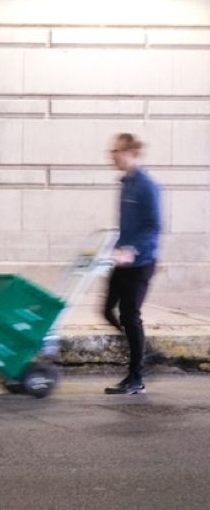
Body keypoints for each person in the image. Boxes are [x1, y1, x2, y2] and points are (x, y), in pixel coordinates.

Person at [103, 133, 161, 395]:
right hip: (122, 260)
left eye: (116, 151)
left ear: (132, 153)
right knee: (106, 310)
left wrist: (132, 250)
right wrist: (114, 246)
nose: (112, 156)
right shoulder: (125, 183)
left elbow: (153, 225)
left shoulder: (146, 185)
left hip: (141, 263)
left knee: (130, 316)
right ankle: (140, 351)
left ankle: (136, 376)